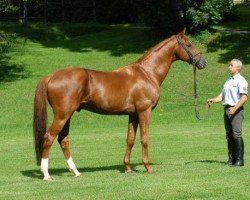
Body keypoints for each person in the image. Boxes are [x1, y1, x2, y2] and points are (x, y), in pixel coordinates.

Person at [207, 59, 248, 166]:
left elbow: (244, 98)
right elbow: (221, 96)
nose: (229, 67)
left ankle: (239, 160)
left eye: (231, 65)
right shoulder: (228, 81)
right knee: (229, 135)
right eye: (229, 65)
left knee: (236, 134)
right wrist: (213, 100)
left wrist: (234, 109)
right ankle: (231, 159)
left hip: (237, 110)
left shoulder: (241, 80)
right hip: (227, 109)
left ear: (238, 68)